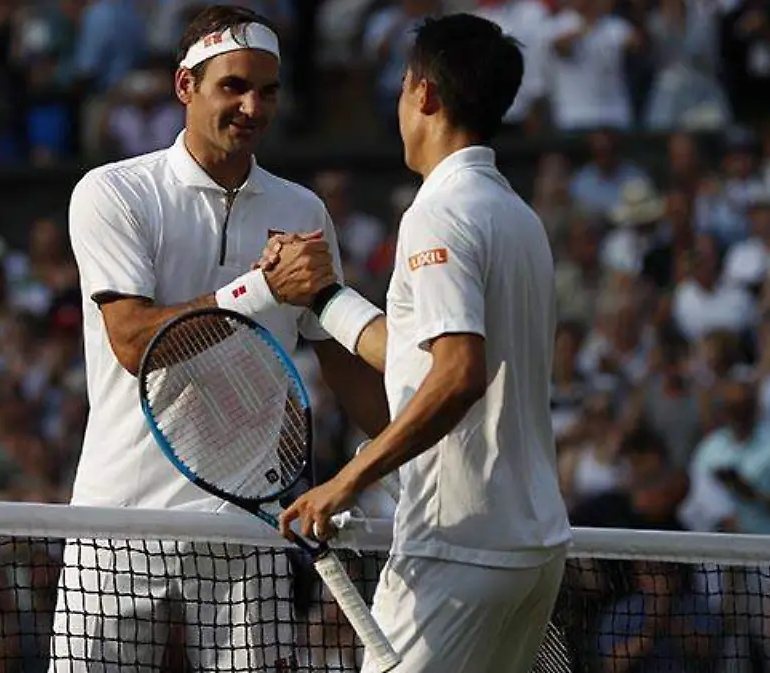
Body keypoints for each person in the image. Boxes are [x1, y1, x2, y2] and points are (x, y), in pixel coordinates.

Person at [52, 5, 389, 671]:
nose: (251, 107)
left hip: (248, 528)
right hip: (119, 522)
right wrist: (260, 288)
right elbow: (134, 343)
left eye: (267, 90)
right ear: (186, 86)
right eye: (232, 86)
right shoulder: (113, 193)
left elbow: (344, 366)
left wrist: (415, 448)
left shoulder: (302, 212)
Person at [274, 14, 573, 672]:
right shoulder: (518, 217)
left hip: (459, 548)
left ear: (426, 95)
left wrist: (346, 480)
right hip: (532, 550)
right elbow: (421, 355)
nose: (399, 100)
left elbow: (458, 374)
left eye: (404, 83)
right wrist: (325, 299)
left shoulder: (438, 211)